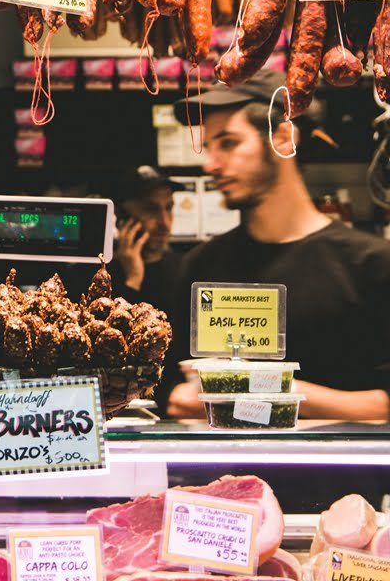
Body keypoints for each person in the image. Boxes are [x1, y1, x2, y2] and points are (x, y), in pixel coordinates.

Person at [158, 69, 390, 421]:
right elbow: (172, 396)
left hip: (337, 476)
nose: (210, 164)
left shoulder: (371, 265)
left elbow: (384, 405)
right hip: (218, 475)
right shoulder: (199, 268)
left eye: (229, 143)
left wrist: (275, 391)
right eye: (209, 147)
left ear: (282, 138)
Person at [110, 165, 181, 311]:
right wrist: (133, 280)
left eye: (169, 208)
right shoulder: (101, 277)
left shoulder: (184, 270)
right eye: (151, 210)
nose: (165, 222)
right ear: (121, 217)